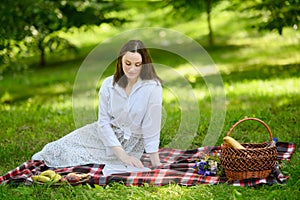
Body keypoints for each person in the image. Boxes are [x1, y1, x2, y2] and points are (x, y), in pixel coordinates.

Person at [32, 40, 163, 173]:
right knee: (52, 150)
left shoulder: (153, 87)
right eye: (127, 63)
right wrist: (122, 155)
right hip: (104, 134)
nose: (132, 69)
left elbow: (151, 125)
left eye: (137, 64)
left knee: (85, 159)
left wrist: (155, 162)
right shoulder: (108, 84)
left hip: (132, 143)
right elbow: (103, 123)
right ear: (120, 61)